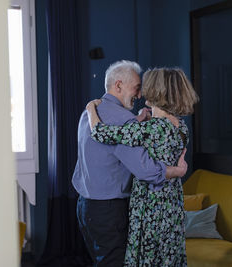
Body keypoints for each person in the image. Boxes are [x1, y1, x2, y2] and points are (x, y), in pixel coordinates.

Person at [72, 60, 188, 267]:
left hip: (85, 206)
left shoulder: (91, 113)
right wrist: (175, 171)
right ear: (119, 85)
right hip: (109, 210)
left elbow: (106, 139)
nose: (140, 94)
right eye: (136, 87)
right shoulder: (128, 120)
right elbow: (147, 170)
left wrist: (91, 108)